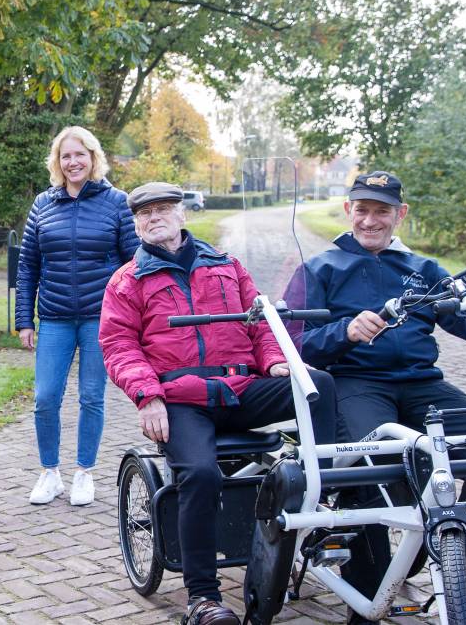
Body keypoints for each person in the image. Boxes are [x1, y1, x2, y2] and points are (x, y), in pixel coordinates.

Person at [291, 170, 466, 625]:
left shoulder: (424, 270)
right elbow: (293, 343)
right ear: (348, 211)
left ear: (400, 214)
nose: (371, 220)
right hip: (356, 381)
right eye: (362, 209)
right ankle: (364, 600)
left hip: (422, 385)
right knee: (369, 466)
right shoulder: (320, 268)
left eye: (382, 211)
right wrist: (343, 332)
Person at [99, 182, 338, 625]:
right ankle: (203, 598)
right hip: (181, 399)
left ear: (181, 215)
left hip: (240, 388)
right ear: (135, 224)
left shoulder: (227, 265)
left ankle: (320, 496)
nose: (155, 218)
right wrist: (147, 396)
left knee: (317, 386)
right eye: (145, 213)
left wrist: (273, 362)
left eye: (164, 209)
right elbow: (118, 346)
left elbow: (262, 322)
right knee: (201, 474)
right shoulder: (126, 281)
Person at [16, 125, 138, 506]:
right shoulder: (43, 204)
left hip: (101, 319)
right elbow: (28, 265)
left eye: (79, 154)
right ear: (57, 162)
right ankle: (50, 473)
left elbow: (134, 261)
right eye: (66, 156)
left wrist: (132, 315)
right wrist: (24, 319)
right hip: (53, 317)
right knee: (45, 397)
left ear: (92, 157)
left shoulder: (116, 202)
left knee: (91, 396)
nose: (73, 162)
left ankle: (84, 472)